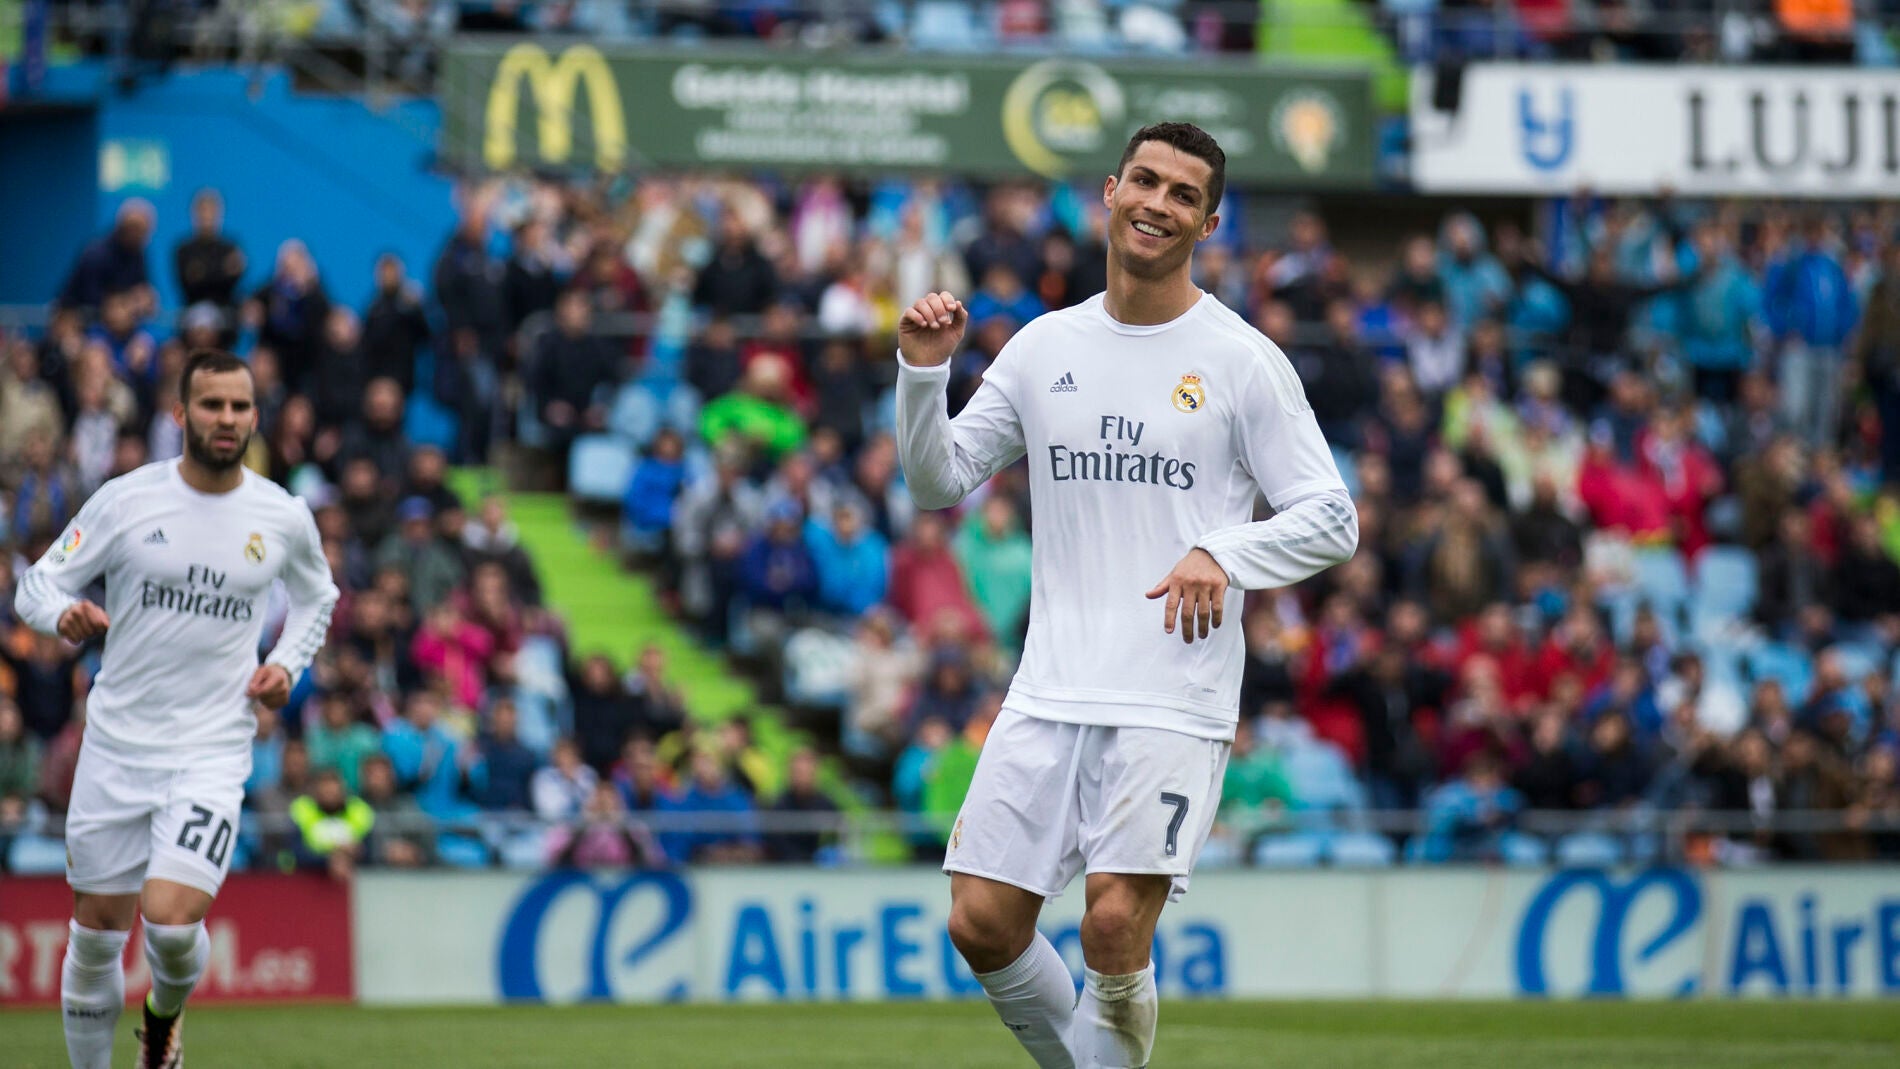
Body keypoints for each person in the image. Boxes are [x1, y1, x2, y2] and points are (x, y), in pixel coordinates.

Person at [893, 123, 1357, 1068]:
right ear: (1109, 191)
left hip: (1169, 692)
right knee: (980, 921)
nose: (1158, 203)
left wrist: (1222, 552)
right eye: (1144, 180)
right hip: (1051, 682)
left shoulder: (1241, 359)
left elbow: (1332, 516)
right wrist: (920, 372)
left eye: (1183, 194)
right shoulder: (1043, 346)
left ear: (1209, 220)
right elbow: (939, 479)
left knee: (1112, 924)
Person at [13, 348, 339, 1069]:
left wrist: (284, 662)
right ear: (180, 413)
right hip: (116, 746)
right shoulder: (128, 499)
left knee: (166, 919)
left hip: (210, 749)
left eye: (239, 406)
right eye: (211, 404)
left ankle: (163, 1022)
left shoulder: (280, 514)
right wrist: (63, 614)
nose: (226, 418)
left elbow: (319, 596)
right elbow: (35, 585)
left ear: (256, 415)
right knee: (96, 936)